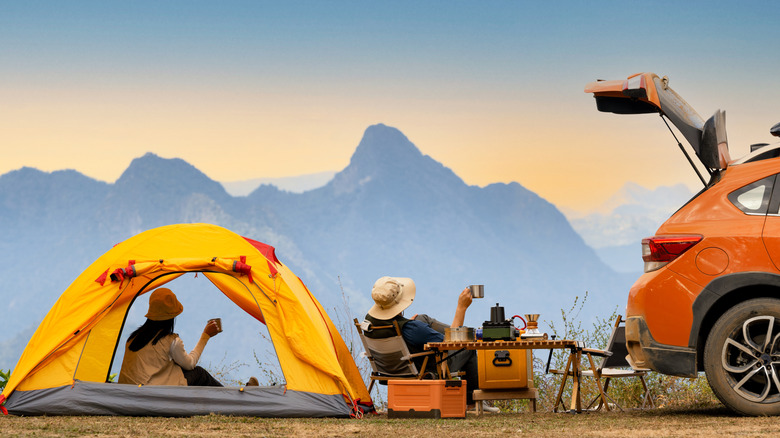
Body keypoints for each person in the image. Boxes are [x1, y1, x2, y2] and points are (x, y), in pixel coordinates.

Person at [363, 276, 498, 412]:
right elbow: (449, 346)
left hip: (389, 368)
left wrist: (410, 326)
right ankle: (471, 402)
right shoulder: (412, 329)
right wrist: (461, 308)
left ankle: (458, 331)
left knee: (423, 318)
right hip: (429, 367)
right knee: (468, 346)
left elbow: (403, 329)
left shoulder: (370, 322)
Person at [118, 287, 228, 387]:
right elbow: (190, 364)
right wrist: (205, 336)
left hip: (130, 393)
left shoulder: (133, 338)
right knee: (200, 373)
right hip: (155, 395)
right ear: (172, 317)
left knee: (178, 368)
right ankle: (230, 399)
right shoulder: (172, 341)